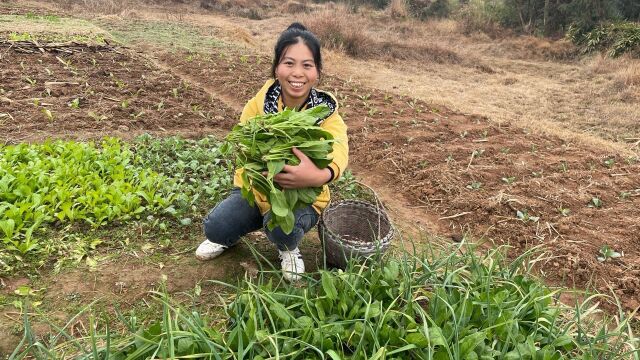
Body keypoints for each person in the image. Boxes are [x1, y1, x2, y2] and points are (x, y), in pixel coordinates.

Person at [196, 23, 349, 282]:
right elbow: (243, 140)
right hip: (258, 190)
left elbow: (339, 148)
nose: (297, 73)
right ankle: (231, 236)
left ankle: (288, 248)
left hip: (302, 197)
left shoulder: (324, 110)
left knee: (281, 229)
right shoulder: (259, 104)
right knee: (215, 227)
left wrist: (317, 176)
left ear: (317, 72)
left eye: (307, 65)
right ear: (277, 67)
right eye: (289, 63)